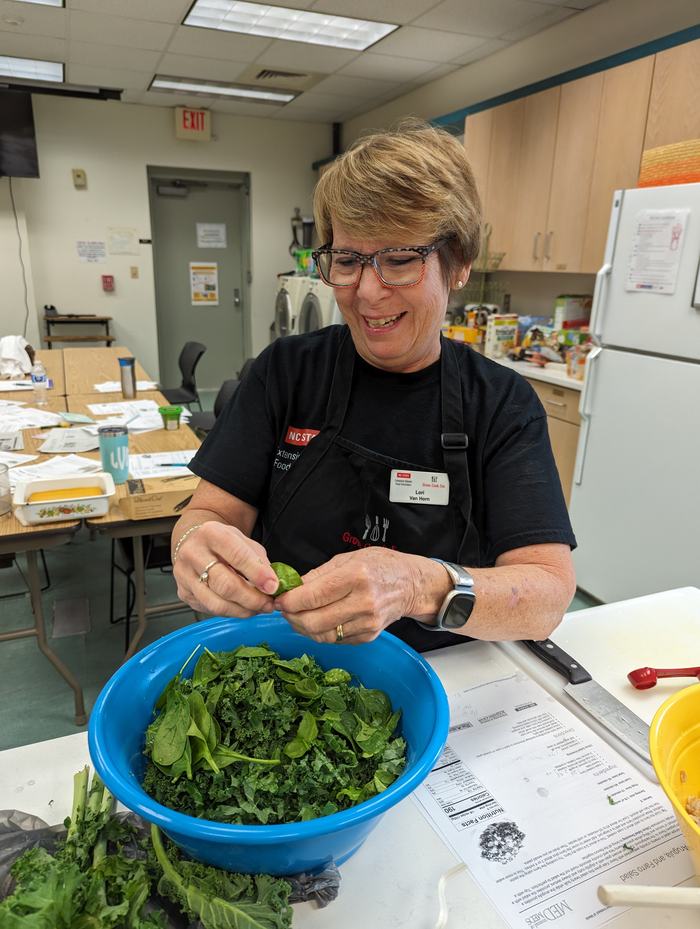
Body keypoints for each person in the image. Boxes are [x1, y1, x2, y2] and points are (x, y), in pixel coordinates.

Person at [172, 118, 576, 652]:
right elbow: (208, 514)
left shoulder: (500, 403)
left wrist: (417, 585)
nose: (366, 292)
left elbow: (547, 594)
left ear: (458, 266)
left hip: (437, 672)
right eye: (347, 260)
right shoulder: (286, 372)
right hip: (281, 660)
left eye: (400, 260)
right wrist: (195, 545)